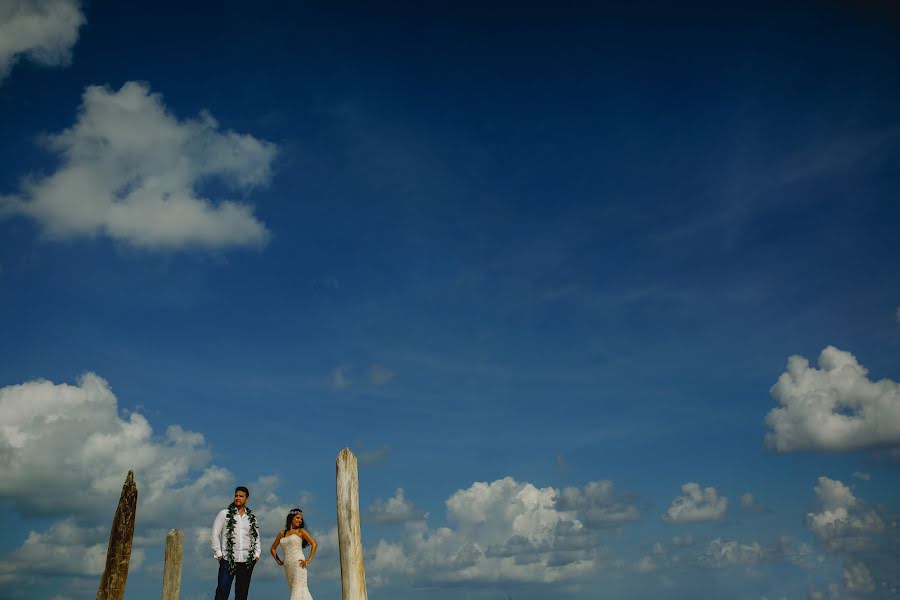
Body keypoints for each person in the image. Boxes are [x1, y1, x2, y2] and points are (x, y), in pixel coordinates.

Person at [211, 486, 261, 600]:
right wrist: (219, 555)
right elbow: (214, 535)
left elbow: (256, 537)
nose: (238, 498)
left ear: (246, 499)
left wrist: (256, 555)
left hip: (246, 560)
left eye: (241, 496)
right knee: (222, 590)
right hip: (228, 560)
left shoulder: (251, 518)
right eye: (236, 495)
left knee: (242, 593)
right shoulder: (224, 514)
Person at [270, 508, 318, 600]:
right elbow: (272, 549)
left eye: (301, 519)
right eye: (297, 518)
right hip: (287, 565)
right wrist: (279, 561)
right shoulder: (282, 533)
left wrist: (308, 560)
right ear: (291, 518)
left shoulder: (301, 531)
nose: (299, 520)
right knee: (294, 588)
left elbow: (314, 544)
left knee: (299, 588)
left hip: (298, 563)